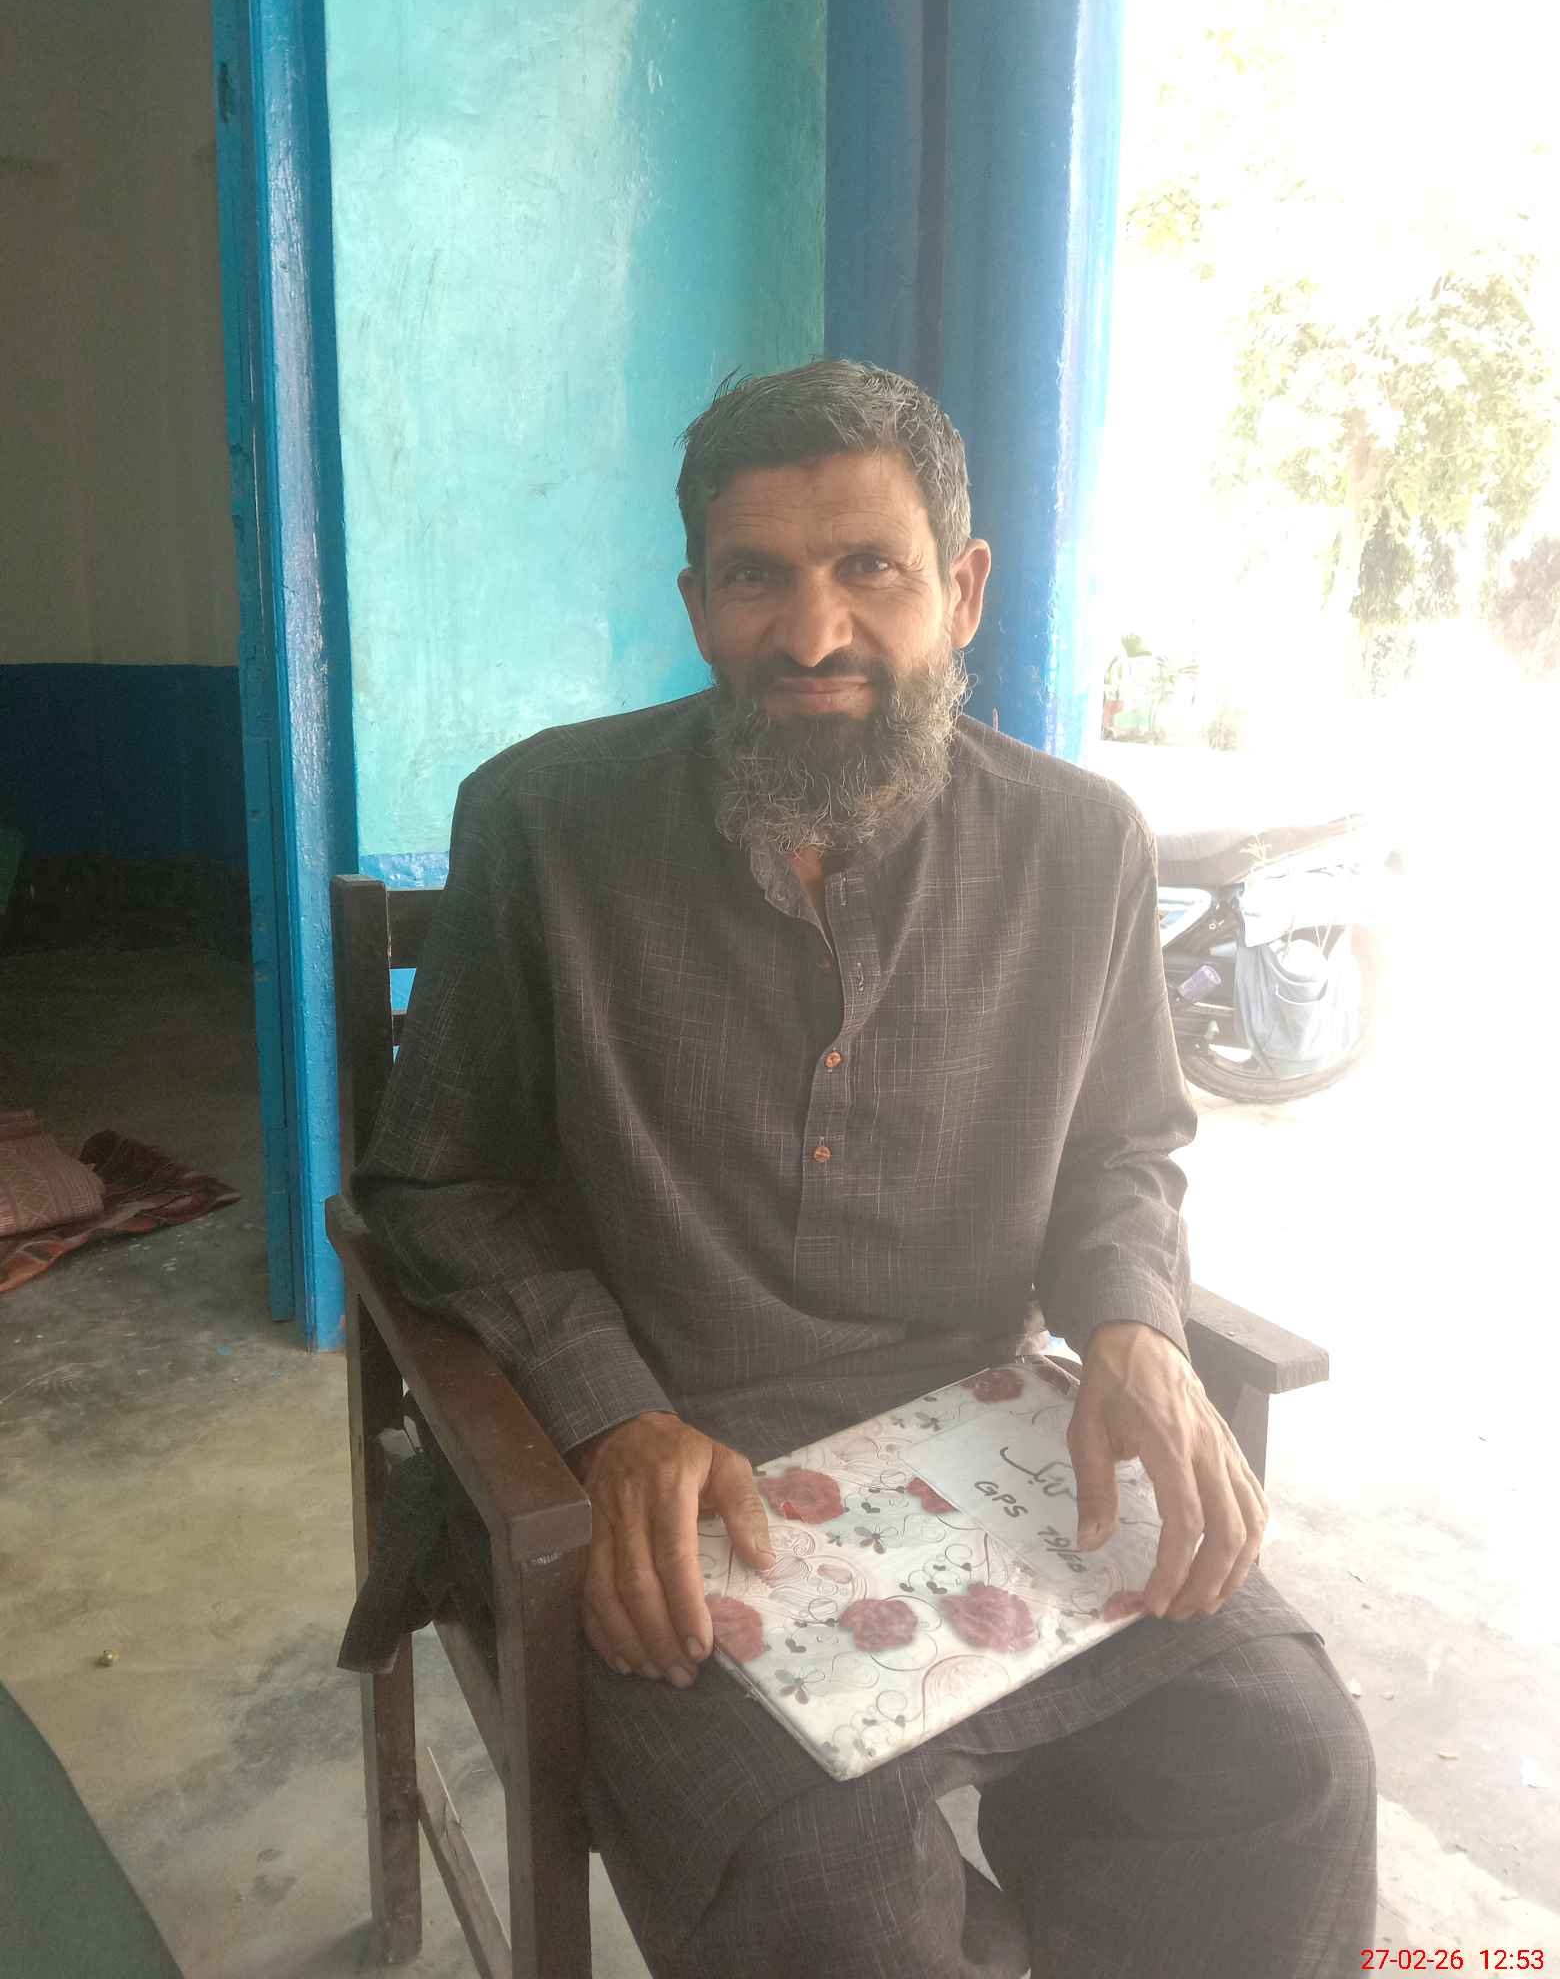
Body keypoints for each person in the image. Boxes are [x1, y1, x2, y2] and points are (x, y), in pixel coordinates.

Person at [355, 361, 1375, 1978]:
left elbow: (1122, 1145)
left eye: (869, 569)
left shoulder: (1080, 845)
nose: (813, 631)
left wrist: (1133, 1322)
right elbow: (438, 1181)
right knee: (833, 1899)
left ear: (959, 591)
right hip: (680, 1469)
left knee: (1285, 1763)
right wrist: (611, 1415)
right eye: (755, 575)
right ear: (696, 605)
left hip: (984, 1444)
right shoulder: (545, 825)